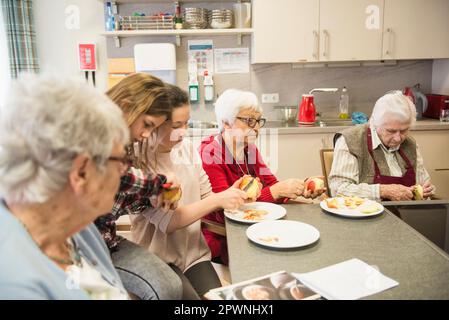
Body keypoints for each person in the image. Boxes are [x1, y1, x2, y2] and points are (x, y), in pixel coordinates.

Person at [0, 74, 130, 299]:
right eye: (120, 161)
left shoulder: (78, 226)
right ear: (82, 172)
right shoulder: (14, 283)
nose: (124, 171)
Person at [130, 85, 248, 299]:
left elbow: (207, 196)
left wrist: (228, 195)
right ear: (154, 124)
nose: (184, 131)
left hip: (194, 255)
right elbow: (169, 223)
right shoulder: (140, 164)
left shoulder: (188, 149)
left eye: (186, 123)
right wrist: (218, 200)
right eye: (177, 125)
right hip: (158, 258)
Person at [199, 89, 326, 264]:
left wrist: (299, 189)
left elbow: (272, 184)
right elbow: (225, 211)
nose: (256, 128)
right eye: (249, 121)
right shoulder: (211, 154)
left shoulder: (248, 148)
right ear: (226, 123)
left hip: (256, 227)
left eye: (258, 121)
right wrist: (275, 192)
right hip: (225, 238)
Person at [94, 73, 182, 300]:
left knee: (170, 287)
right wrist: (159, 185)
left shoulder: (120, 141)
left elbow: (118, 196)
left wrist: (155, 194)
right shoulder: (95, 136)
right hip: (91, 247)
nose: (145, 135)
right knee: (166, 288)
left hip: (107, 239)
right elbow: (118, 178)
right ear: (125, 106)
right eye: (147, 125)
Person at [329, 90, 435, 201]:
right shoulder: (351, 140)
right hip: (365, 216)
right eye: (391, 131)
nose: (398, 138)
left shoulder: (410, 143)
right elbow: (338, 190)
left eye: (404, 130)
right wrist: (382, 191)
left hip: (406, 215)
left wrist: (427, 191)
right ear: (374, 123)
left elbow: (423, 183)